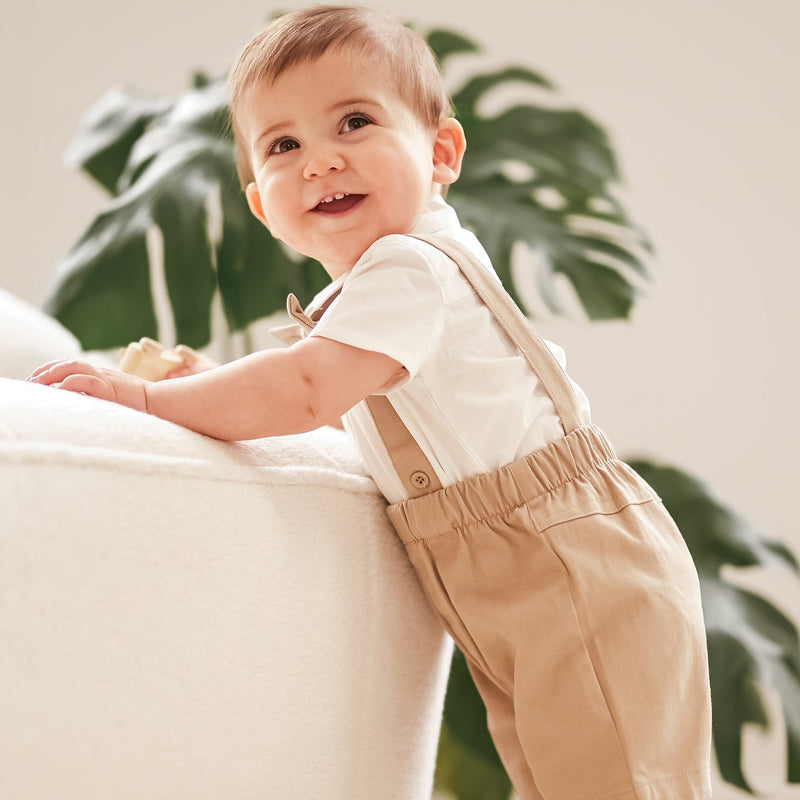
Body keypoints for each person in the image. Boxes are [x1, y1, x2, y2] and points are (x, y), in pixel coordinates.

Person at [28, 5, 712, 798]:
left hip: (570, 566)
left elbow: (306, 389)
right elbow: (331, 389)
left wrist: (147, 400)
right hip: (519, 572)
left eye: (353, 122)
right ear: (261, 205)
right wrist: (203, 384)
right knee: (565, 780)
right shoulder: (370, 302)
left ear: (441, 152)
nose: (320, 161)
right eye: (284, 146)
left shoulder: (410, 269)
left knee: (614, 783)